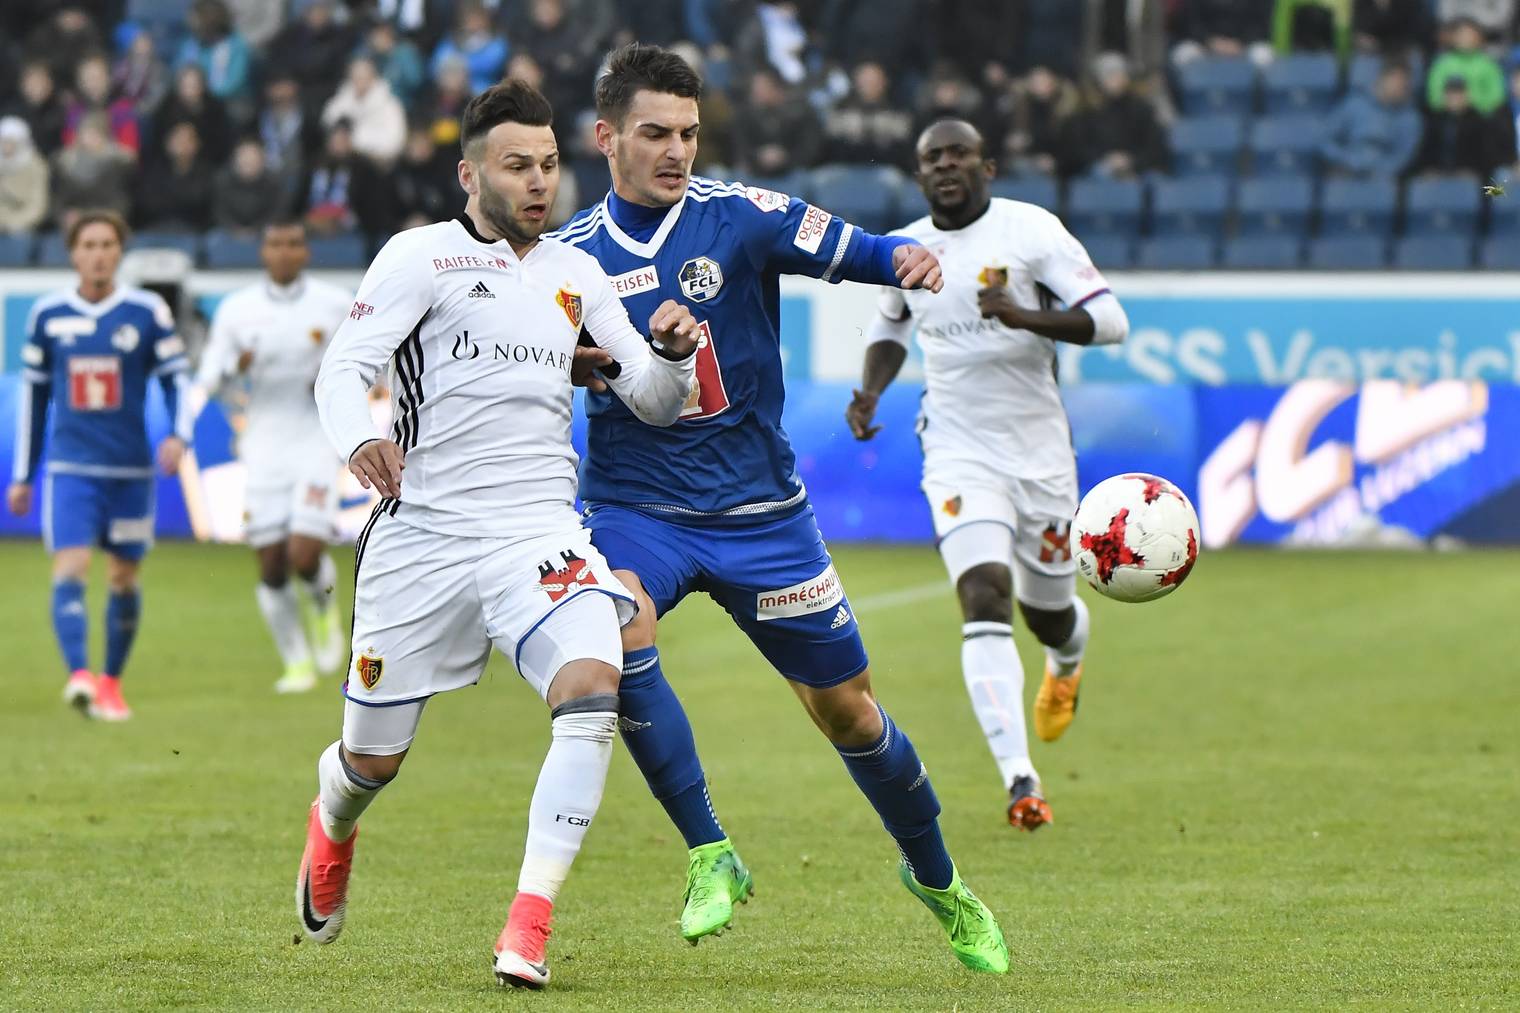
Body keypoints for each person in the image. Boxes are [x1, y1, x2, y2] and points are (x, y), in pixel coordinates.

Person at [548, 43, 1009, 973]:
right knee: (613, 624)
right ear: (606, 138)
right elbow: (520, 361)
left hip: (762, 513)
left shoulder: (740, 216)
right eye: (654, 134)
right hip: (638, 508)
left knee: (849, 713)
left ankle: (938, 878)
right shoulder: (568, 259)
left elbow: (850, 248)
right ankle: (711, 851)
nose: (676, 150)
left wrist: (903, 258)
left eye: (688, 132)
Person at [295, 79, 700, 990]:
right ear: (468, 171)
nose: (538, 181)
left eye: (550, 164)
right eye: (517, 164)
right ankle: (335, 818)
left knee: (593, 685)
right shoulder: (419, 258)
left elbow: (653, 402)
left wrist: (669, 357)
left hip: (538, 531)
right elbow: (344, 368)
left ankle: (529, 922)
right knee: (372, 760)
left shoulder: (574, 273)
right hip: (424, 536)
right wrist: (360, 436)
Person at [846, 118, 1130, 829]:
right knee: (983, 592)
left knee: (1049, 615)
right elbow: (889, 325)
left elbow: (1112, 320)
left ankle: (1065, 665)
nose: (946, 166)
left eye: (959, 154)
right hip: (956, 447)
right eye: (931, 158)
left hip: (1039, 454)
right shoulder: (908, 248)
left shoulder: (1031, 231)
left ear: (988, 166)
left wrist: (1026, 316)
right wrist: (872, 389)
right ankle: (1020, 779)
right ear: (918, 175)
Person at [5, 210, 189, 721]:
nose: (99, 253)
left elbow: (177, 378)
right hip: (71, 469)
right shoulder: (47, 315)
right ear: (73, 253)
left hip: (131, 471)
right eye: (88, 244)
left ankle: (111, 682)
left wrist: (178, 434)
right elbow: (34, 398)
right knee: (70, 567)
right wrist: (24, 475)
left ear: (120, 252)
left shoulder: (146, 311)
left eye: (108, 244)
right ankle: (79, 676)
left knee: (123, 580)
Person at [185, 221, 350, 692]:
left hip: (316, 440)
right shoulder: (239, 310)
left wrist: (332, 381)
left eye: (293, 244)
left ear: (306, 252)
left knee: (303, 552)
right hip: (262, 443)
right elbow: (212, 373)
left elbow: (366, 365)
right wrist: (227, 376)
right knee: (271, 562)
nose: (284, 253)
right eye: (275, 243)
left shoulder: (335, 304)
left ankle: (322, 609)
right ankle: (296, 661)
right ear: (263, 251)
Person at [1319, 61, 1422, 177]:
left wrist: (1378, 171)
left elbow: (1402, 156)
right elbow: (1325, 140)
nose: (1399, 87)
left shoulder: (1409, 118)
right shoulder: (1354, 104)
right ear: (1383, 78)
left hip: (1382, 181)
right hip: (1345, 172)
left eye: (1404, 84)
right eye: (1396, 80)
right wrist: (1346, 160)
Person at [0, 115, 49, 233]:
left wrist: (13, 223)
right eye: (3, 141)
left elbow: (37, 205)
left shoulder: (35, 165)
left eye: (10, 142)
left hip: (21, 225)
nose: (6, 146)